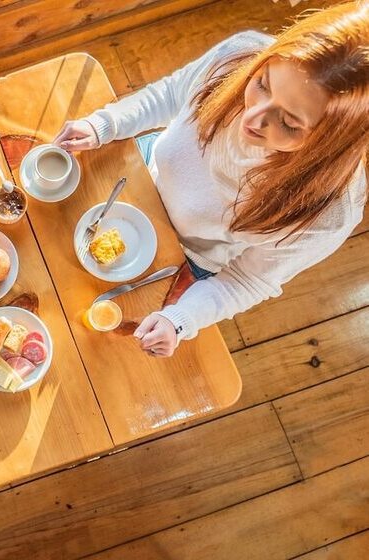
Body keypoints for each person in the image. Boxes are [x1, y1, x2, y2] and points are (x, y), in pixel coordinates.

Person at [54, 1, 368, 357]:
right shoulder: (240, 55)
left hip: (188, 257)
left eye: (289, 123)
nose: (253, 117)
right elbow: (172, 95)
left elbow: (247, 280)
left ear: (333, 143)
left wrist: (181, 319)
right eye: (262, 84)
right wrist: (106, 125)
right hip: (138, 175)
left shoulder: (326, 213)